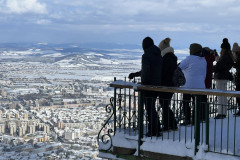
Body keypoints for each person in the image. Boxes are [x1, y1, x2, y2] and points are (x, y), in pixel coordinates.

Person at [128, 37, 163, 136]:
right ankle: (157, 128)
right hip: (157, 85)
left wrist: (143, 84)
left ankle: (153, 130)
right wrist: (136, 74)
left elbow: (146, 71)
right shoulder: (158, 55)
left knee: (149, 108)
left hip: (148, 86)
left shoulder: (146, 56)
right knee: (152, 108)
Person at [179, 43, 207, 125]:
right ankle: (196, 119)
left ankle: (187, 119)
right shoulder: (203, 60)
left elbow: (179, 68)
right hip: (200, 86)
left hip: (188, 86)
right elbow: (204, 73)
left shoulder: (189, 59)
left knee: (186, 102)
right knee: (197, 104)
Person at [158, 37, 178, 131]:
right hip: (171, 85)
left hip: (166, 85)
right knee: (165, 104)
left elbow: (164, 72)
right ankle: (172, 124)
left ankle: (169, 125)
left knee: (164, 104)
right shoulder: (171, 57)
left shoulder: (166, 59)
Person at [214, 38, 234, 119]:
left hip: (221, 77)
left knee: (220, 96)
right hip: (224, 77)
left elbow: (219, 66)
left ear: (224, 49)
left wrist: (211, 68)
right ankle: (223, 112)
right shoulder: (228, 57)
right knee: (223, 96)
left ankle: (221, 113)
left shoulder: (225, 57)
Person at [232, 42, 240, 116]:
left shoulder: (239, 56)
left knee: (238, 94)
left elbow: (238, 65)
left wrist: (232, 63)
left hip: (239, 79)